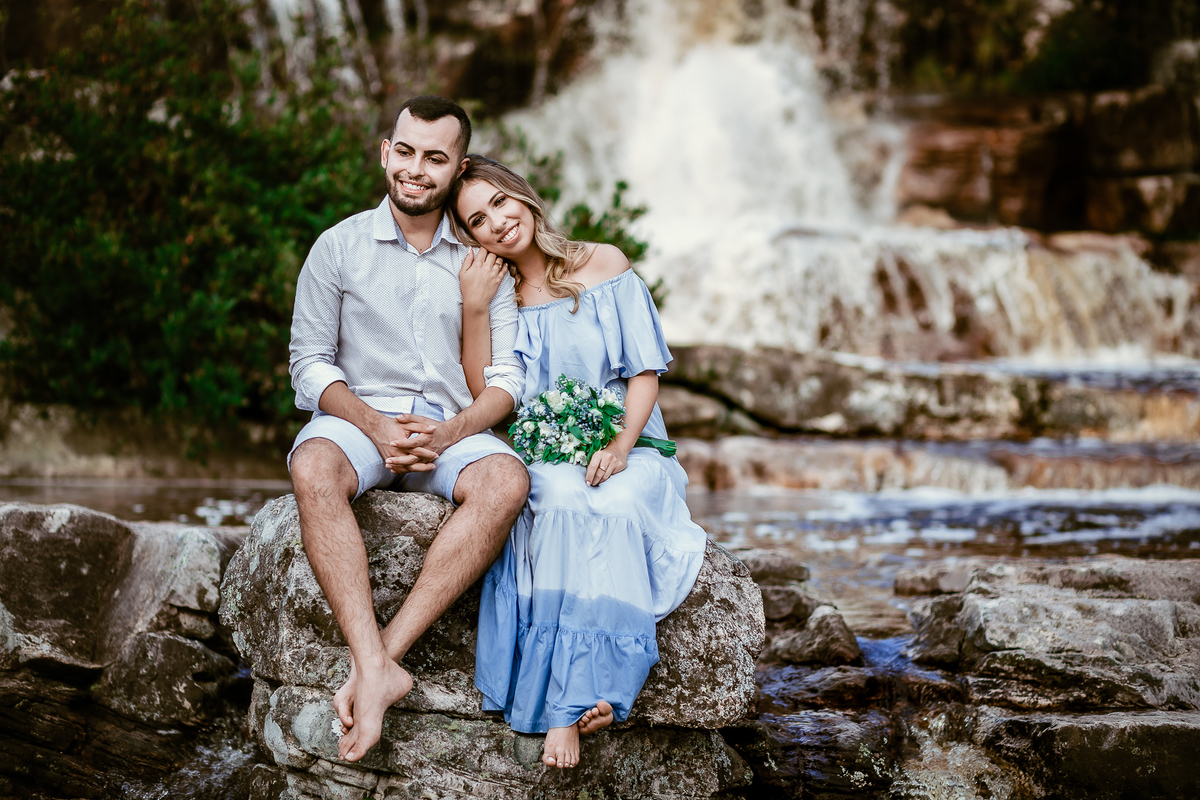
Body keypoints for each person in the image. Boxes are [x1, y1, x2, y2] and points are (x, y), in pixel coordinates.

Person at [419, 155, 709, 769]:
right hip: (547, 453)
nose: (497, 222)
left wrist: (620, 446)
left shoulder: (603, 264)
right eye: (477, 220)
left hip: (628, 444)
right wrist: (476, 307)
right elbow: (487, 393)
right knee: (559, 499)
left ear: (523, 196)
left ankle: (594, 690)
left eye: (500, 202)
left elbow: (644, 372)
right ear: (470, 238)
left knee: (618, 500)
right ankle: (570, 703)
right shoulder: (497, 296)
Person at [287, 98, 530, 763]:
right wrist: (372, 423)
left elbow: (507, 380)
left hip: (451, 428)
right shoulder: (338, 246)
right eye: (405, 151)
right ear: (385, 152)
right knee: (312, 468)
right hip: (359, 422)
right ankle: (374, 664)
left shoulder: (483, 258)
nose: (416, 169)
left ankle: (382, 663)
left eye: (435, 157)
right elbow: (309, 362)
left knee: (506, 481)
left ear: (458, 169)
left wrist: (449, 433)